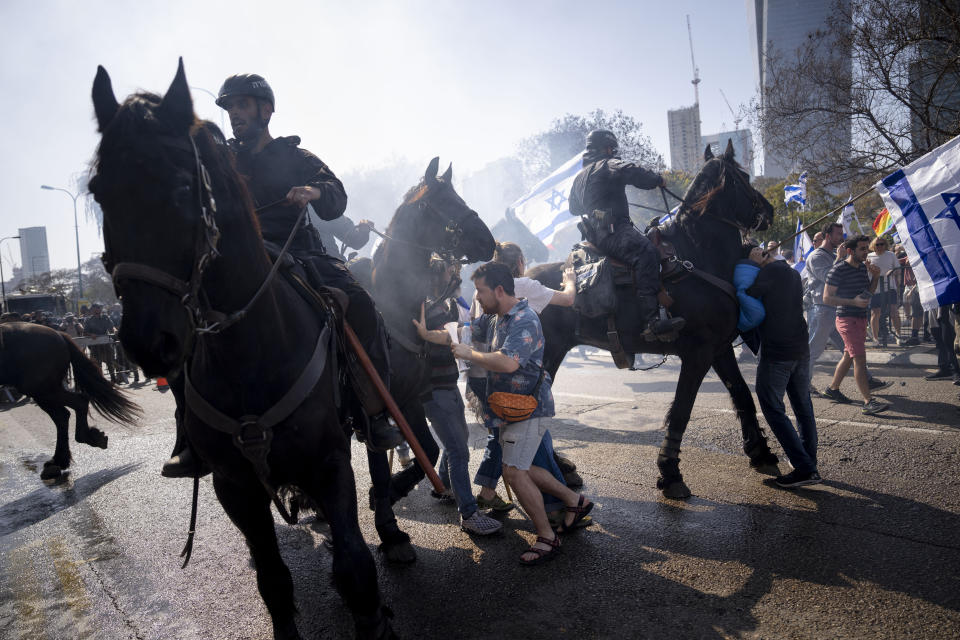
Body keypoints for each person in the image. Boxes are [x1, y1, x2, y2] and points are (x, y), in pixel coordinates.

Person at [163, 73, 400, 477]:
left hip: (297, 252)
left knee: (359, 304)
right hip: (236, 259)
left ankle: (373, 412)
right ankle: (189, 437)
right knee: (181, 321)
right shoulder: (221, 159)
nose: (234, 113)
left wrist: (313, 192)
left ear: (265, 109)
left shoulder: (296, 156)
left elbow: (334, 192)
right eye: (229, 107)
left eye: (241, 105)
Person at [454, 262, 594, 565]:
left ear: (500, 290)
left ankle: (547, 537)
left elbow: (508, 363)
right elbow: (466, 328)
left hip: (529, 408)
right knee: (525, 466)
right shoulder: (496, 317)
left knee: (514, 472)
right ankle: (574, 501)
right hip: (510, 408)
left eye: (480, 291)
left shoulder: (525, 318)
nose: (476, 297)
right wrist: (434, 333)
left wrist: (469, 353)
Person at [469, 241, 578, 515]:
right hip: (510, 380)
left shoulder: (483, 289)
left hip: (482, 377)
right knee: (528, 447)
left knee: (504, 439)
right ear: (519, 263)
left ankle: (485, 491)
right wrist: (570, 280)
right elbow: (567, 300)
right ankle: (559, 507)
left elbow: (471, 328)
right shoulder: (525, 289)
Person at [411, 260, 502, 535]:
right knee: (458, 450)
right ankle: (469, 514)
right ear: (435, 277)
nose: (456, 276)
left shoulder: (444, 303)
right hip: (434, 389)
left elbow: (457, 333)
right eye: (450, 272)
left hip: (447, 386)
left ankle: (446, 486)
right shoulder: (424, 306)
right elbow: (444, 338)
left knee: (458, 441)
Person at [568, 129, 684, 338]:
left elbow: (574, 208)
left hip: (595, 236)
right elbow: (632, 172)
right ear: (607, 148)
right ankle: (652, 321)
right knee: (646, 251)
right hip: (614, 232)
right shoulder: (607, 164)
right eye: (611, 148)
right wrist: (657, 179)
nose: (613, 151)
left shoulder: (579, 178)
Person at [745, 248, 820, 487]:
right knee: (803, 407)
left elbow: (748, 293)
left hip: (778, 352)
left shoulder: (769, 272)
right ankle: (809, 461)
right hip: (800, 348)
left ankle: (804, 468)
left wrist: (751, 266)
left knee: (773, 408)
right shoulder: (790, 272)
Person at [820, 236, 889, 415]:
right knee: (859, 358)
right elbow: (826, 298)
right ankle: (868, 402)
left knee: (848, 355)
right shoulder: (838, 270)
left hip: (860, 318)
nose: (867, 252)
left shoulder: (861, 268)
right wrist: (853, 302)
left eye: (867, 248)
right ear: (850, 251)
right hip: (846, 319)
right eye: (863, 249)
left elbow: (867, 294)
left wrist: (875, 277)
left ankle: (832, 389)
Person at [866, 236, 903, 345]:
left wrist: (892, 271)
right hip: (875, 288)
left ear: (885, 245)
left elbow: (898, 269)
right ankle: (875, 338)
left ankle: (898, 335)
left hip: (890, 287)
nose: (880, 246)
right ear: (873, 245)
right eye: (877, 244)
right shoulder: (869, 256)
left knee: (894, 311)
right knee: (875, 313)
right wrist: (868, 268)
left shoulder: (891, 255)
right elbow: (865, 271)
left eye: (882, 244)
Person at [83, 303, 117, 383]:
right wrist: (91, 334)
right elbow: (85, 333)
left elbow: (112, 327)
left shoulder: (105, 317)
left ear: (100, 309)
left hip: (106, 343)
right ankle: (101, 380)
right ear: (92, 310)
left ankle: (113, 379)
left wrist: (115, 330)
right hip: (95, 345)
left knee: (110, 361)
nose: (97, 309)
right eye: (95, 308)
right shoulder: (89, 320)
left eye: (98, 308)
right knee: (98, 364)